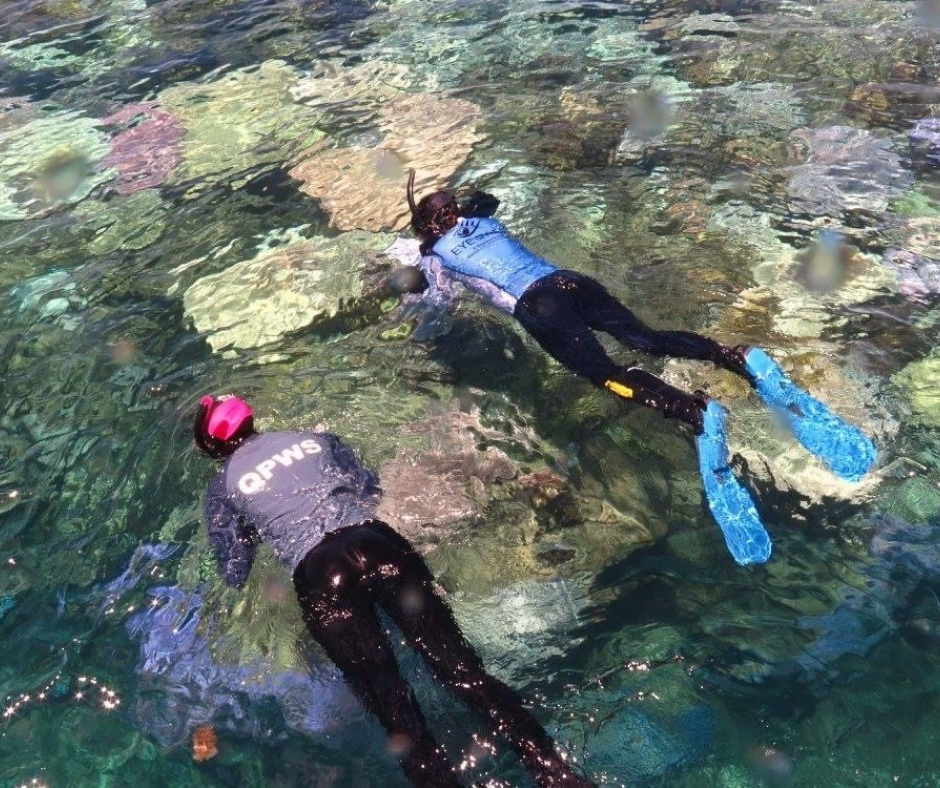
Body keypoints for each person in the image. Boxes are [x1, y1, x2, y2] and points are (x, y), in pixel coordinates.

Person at [402, 172, 878, 566]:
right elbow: (488, 199)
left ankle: (691, 411)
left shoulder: (432, 253)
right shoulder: (479, 216)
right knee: (644, 338)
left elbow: (439, 301)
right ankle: (734, 356)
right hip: (568, 281)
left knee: (606, 375)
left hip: (539, 306)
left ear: (425, 229)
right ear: (455, 210)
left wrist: (428, 322)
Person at [193, 394, 594, 788]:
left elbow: (235, 570)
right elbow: (368, 489)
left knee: (394, 708)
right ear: (249, 421)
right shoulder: (313, 438)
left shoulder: (222, 487)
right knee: (462, 671)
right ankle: (555, 773)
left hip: (319, 571)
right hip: (376, 542)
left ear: (212, 444)